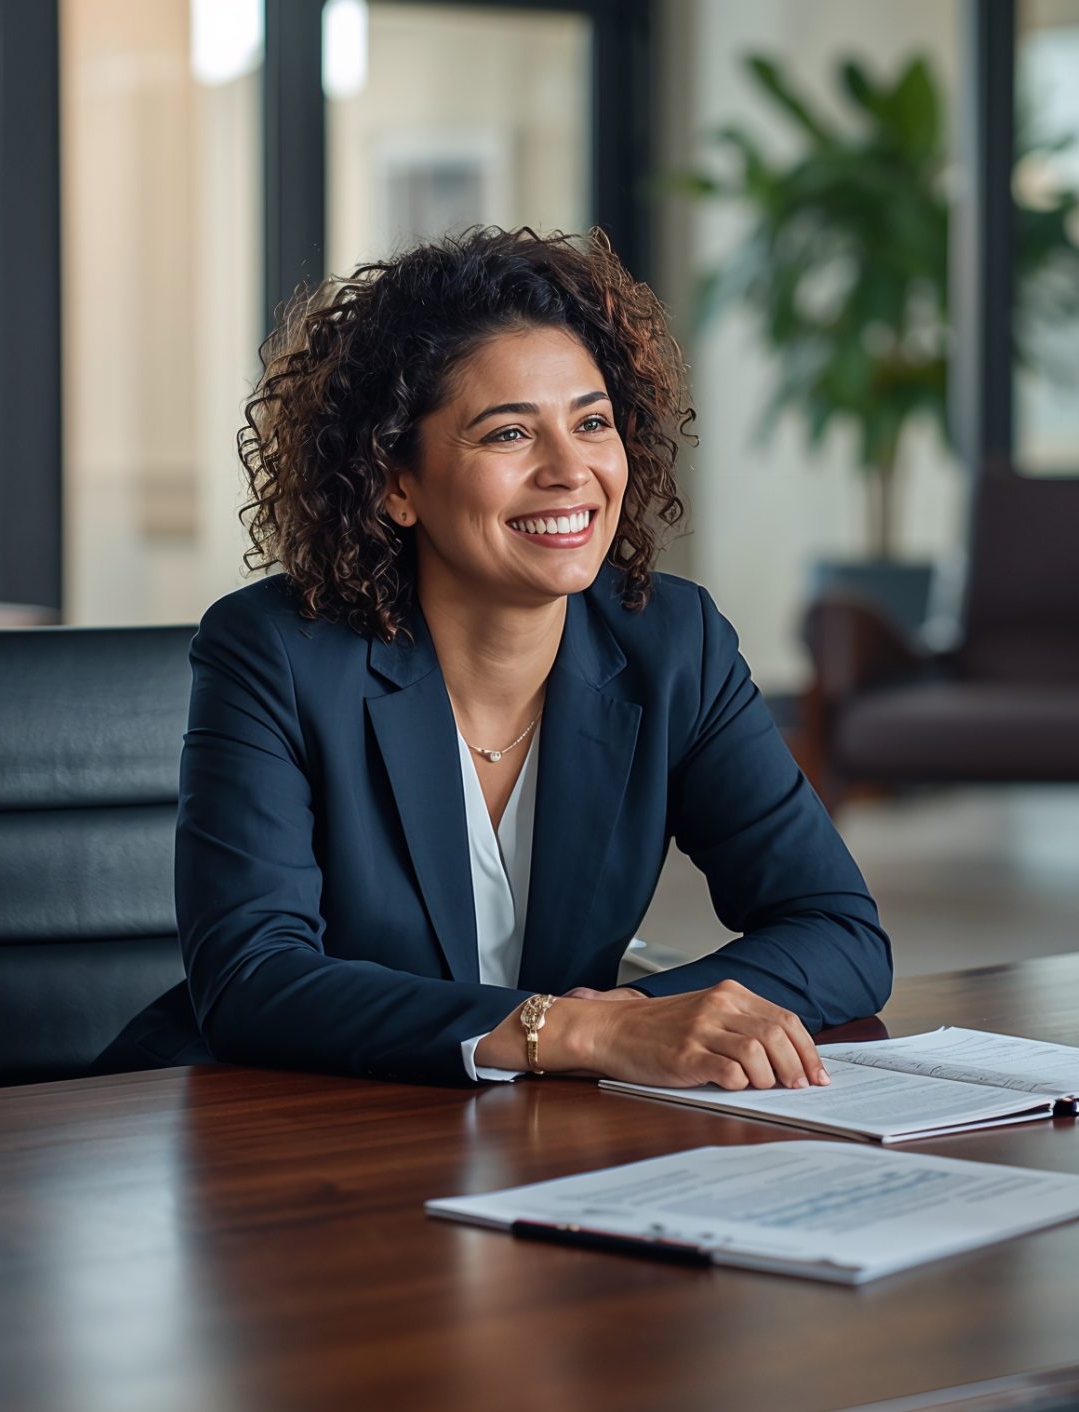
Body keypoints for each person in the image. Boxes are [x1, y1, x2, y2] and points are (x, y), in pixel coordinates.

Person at [99, 228, 889, 1089]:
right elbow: (255, 977)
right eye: (509, 434)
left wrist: (636, 1021)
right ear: (394, 482)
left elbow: (838, 928)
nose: (570, 470)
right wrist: (567, 1031)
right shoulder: (275, 653)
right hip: (280, 1125)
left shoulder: (672, 643)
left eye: (592, 422)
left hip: (526, 1140)